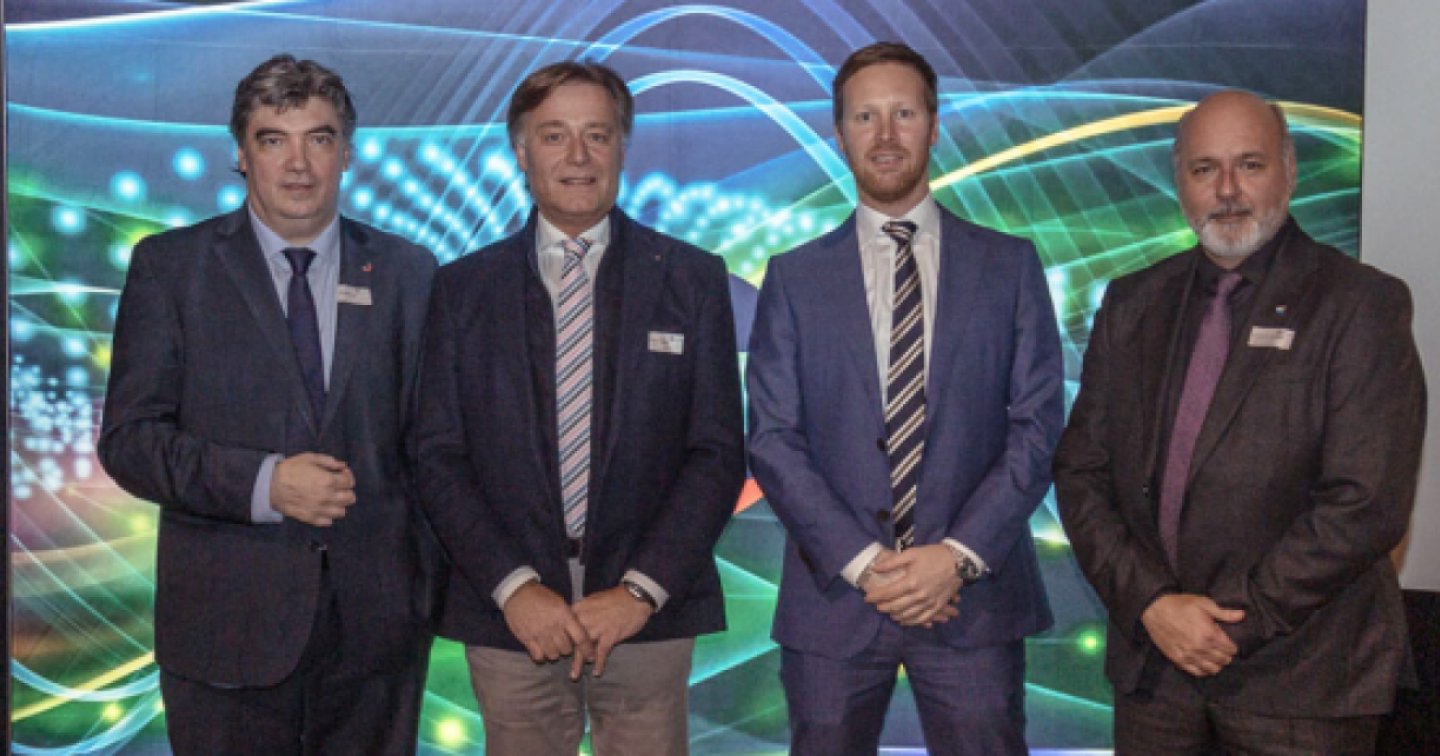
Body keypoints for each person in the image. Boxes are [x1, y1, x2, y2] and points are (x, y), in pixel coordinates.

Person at [1053, 89, 1427, 754]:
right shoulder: (1134, 303)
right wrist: (1152, 604)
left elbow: (1366, 503)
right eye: (1205, 169)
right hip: (1156, 674)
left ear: (1289, 170)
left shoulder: (1361, 304)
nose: (1227, 190)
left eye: (1249, 165)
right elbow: (1082, 471)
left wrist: (1230, 624)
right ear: (1179, 183)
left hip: (1302, 683)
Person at [98, 54, 438, 753]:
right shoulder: (171, 268)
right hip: (225, 635)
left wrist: (421, 598)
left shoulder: (410, 272)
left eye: (319, 138)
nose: (298, 164)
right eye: (273, 139)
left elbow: (435, 447)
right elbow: (131, 441)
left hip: (377, 642)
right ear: (241, 155)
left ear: (347, 153)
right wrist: (265, 484)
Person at [414, 60, 745, 756]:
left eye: (597, 135)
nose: (577, 156)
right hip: (510, 617)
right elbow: (437, 456)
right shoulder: (461, 289)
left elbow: (716, 454)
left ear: (622, 147)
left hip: (647, 614)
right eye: (554, 135)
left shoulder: (692, 279)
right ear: (521, 150)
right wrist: (514, 588)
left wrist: (640, 591)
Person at [746, 41, 1064, 755]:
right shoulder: (793, 279)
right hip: (835, 602)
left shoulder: (1009, 266)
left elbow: (1037, 427)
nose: (885, 135)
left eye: (904, 114)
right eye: (865, 117)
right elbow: (772, 438)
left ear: (934, 125)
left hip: (972, 602)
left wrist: (956, 556)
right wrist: (865, 564)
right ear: (839, 134)